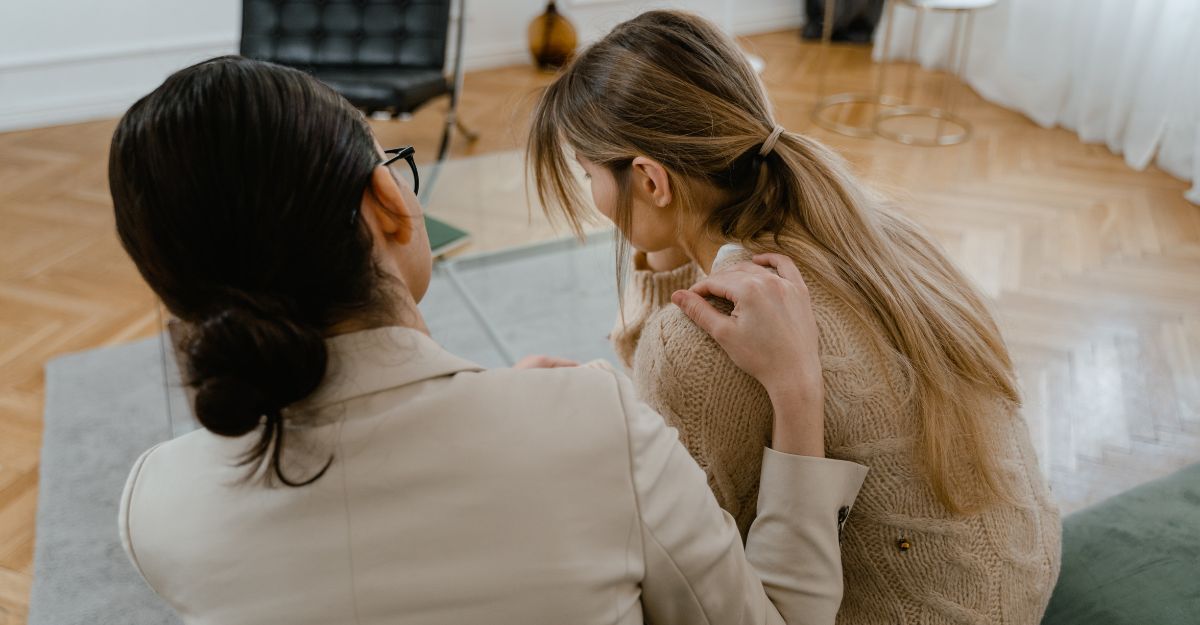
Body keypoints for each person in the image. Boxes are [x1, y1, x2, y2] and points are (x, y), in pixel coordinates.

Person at [110, 55, 868, 625]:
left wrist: (503, 404)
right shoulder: (597, 423)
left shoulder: (155, 505)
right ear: (388, 203)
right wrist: (797, 391)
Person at [528, 10, 1061, 625]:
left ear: (649, 178)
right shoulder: (870, 227)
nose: (595, 201)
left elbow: (694, 579)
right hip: (1018, 575)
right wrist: (664, 240)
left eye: (590, 175)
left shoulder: (702, 337)